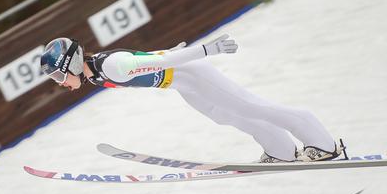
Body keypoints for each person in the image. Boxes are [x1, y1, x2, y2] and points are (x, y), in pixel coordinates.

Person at [39, 35, 343, 163]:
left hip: (192, 73)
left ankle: (323, 143)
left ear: (72, 65)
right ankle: (280, 149)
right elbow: (153, 58)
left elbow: (162, 62)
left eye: (58, 76)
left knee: (249, 105)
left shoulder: (111, 66)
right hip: (182, 83)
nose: (60, 84)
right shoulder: (93, 73)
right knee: (229, 116)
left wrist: (208, 50)